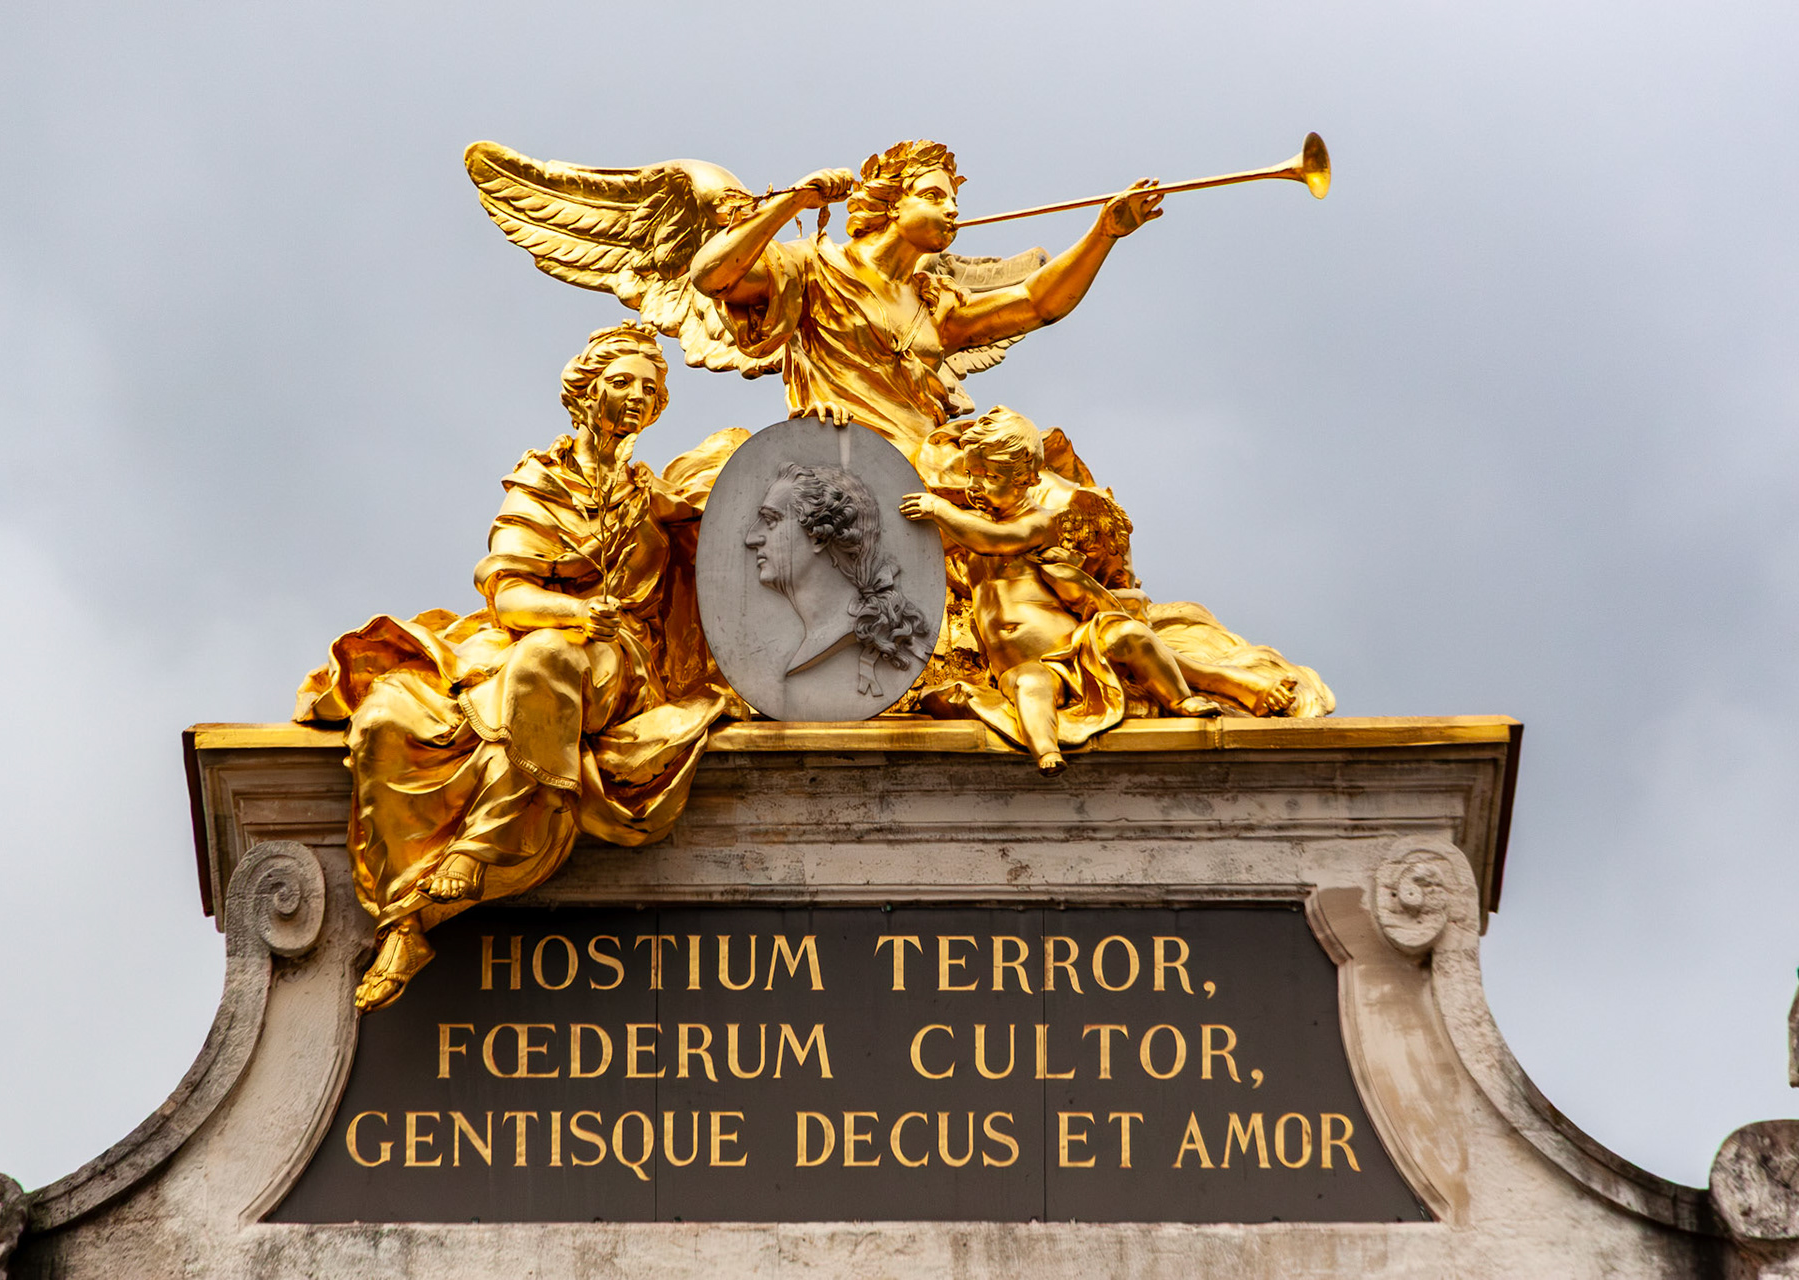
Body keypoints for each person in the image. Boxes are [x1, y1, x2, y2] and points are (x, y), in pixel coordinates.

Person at [295, 323, 736, 1011]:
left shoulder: (655, 496)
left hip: (617, 667)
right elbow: (508, 593)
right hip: (526, 643)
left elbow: (756, 490)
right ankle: (403, 914)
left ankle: (462, 864)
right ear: (585, 393)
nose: (635, 399)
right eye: (621, 383)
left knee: (544, 666)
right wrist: (579, 615)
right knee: (386, 715)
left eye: (649, 391)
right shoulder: (541, 482)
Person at [690, 140, 1164, 482]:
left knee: (1047, 469)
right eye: (935, 197)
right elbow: (713, 277)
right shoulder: (811, 264)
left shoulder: (935, 301)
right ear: (892, 205)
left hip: (925, 456)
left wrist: (1103, 235)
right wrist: (793, 201)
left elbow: (1036, 303)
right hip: (849, 451)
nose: (953, 210)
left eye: (955, 200)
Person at [902, 407, 1305, 774]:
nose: (976, 486)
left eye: (990, 477)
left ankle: (1181, 699)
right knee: (1031, 687)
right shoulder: (968, 527)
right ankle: (1046, 752)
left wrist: (940, 509)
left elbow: (996, 540)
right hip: (1020, 663)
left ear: (1026, 479)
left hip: (1075, 642)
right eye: (971, 475)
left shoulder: (1037, 522)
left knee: (1131, 636)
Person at [745, 460, 932, 693]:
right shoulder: (809, 641)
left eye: (771, 520)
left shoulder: (843, 634)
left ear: (819, 537)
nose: (752, 538)